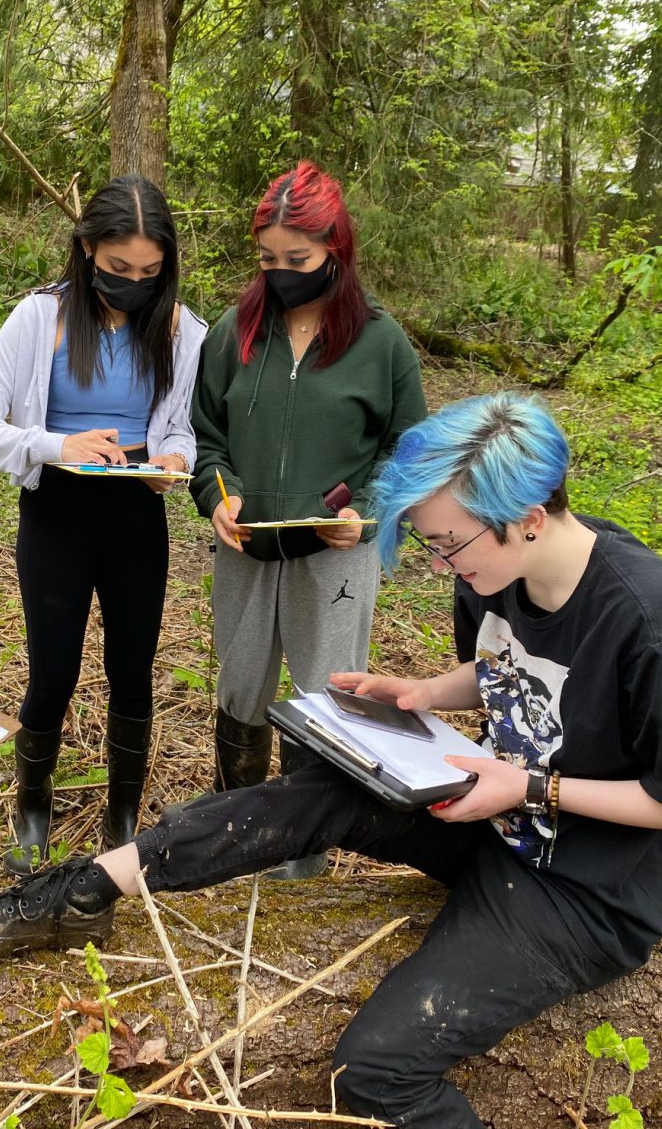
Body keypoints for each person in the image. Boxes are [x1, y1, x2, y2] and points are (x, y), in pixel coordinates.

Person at [0, 391, 662, 1128]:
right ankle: (87, 889)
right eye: (430, 544)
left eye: (448, 544)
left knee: (374, 1073)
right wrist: (424, 692)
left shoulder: (647, 620)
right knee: (326, 787)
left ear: (527, 517)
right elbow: (509, 669)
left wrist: (525, 786)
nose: (442, 565)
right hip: (500, 820)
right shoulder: (496, 570)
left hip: (583, 890)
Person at [0, 176, 205, 873]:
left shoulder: (183, 330)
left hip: (136, 512)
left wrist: (174, 459)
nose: (134, 284)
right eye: (119, 268)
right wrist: (57, 444)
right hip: (57, 512)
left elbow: (183, 425)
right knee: (53, 668)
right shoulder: (41, 318)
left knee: (133, 667)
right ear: (88, 248)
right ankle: (32, 807)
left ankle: (122, 816)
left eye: (150, 273)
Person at [188, 160, 427, 879]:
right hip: (248, 547)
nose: (281, 274)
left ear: (335, 250)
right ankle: (238, 824)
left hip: (336, 553)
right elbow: (207, 437)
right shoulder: (233, 333)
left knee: (326, 690)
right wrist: (219, 496)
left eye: (298, 259)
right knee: (241, 684)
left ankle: (305, 849)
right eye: (268, 260)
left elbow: (409, 452)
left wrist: (370, 514)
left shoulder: (381, 343)